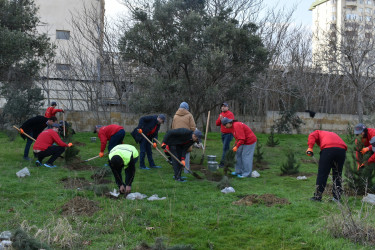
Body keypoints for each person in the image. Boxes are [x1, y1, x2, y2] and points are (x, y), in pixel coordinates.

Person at [306, 130, 347, 202]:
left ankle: (317, 197)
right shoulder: (332, 133)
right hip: (341, 151)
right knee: (337, 174)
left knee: (323, 174)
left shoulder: (317, 132)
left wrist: (310, 147)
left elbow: (312, 135)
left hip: (328, 150)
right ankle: (337, 198)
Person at [171, 102, 196, 173]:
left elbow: (173, 127)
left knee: (178, 153)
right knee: (186, 152)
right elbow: (193, 127)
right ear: (187, 108)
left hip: (177, 137)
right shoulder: (189, 115)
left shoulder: (175, 116)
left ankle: (178, 171)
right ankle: (186, 170)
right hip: (186, 137)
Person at [216, 102, 235, 167]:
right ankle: (229, 160)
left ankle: (222, 163)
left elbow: (229, 122)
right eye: (222, 106)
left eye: (225, 106)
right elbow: (217, 123)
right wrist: (220, 119)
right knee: (226, 148)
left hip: (229, 134)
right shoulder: (221, 114)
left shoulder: (230, 114)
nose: (223, 107)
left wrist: (223, 119)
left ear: (227, 107)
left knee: (225, 148)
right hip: (223, 134)